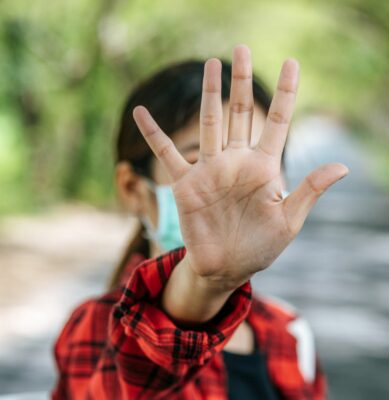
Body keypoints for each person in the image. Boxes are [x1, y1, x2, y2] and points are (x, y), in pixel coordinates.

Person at [51, 45, 349, 400]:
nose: (232, 190)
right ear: (132, 189)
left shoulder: (287, 332)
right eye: (199, 163)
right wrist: (207, 282)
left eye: (254, 166)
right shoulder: (95, 328)